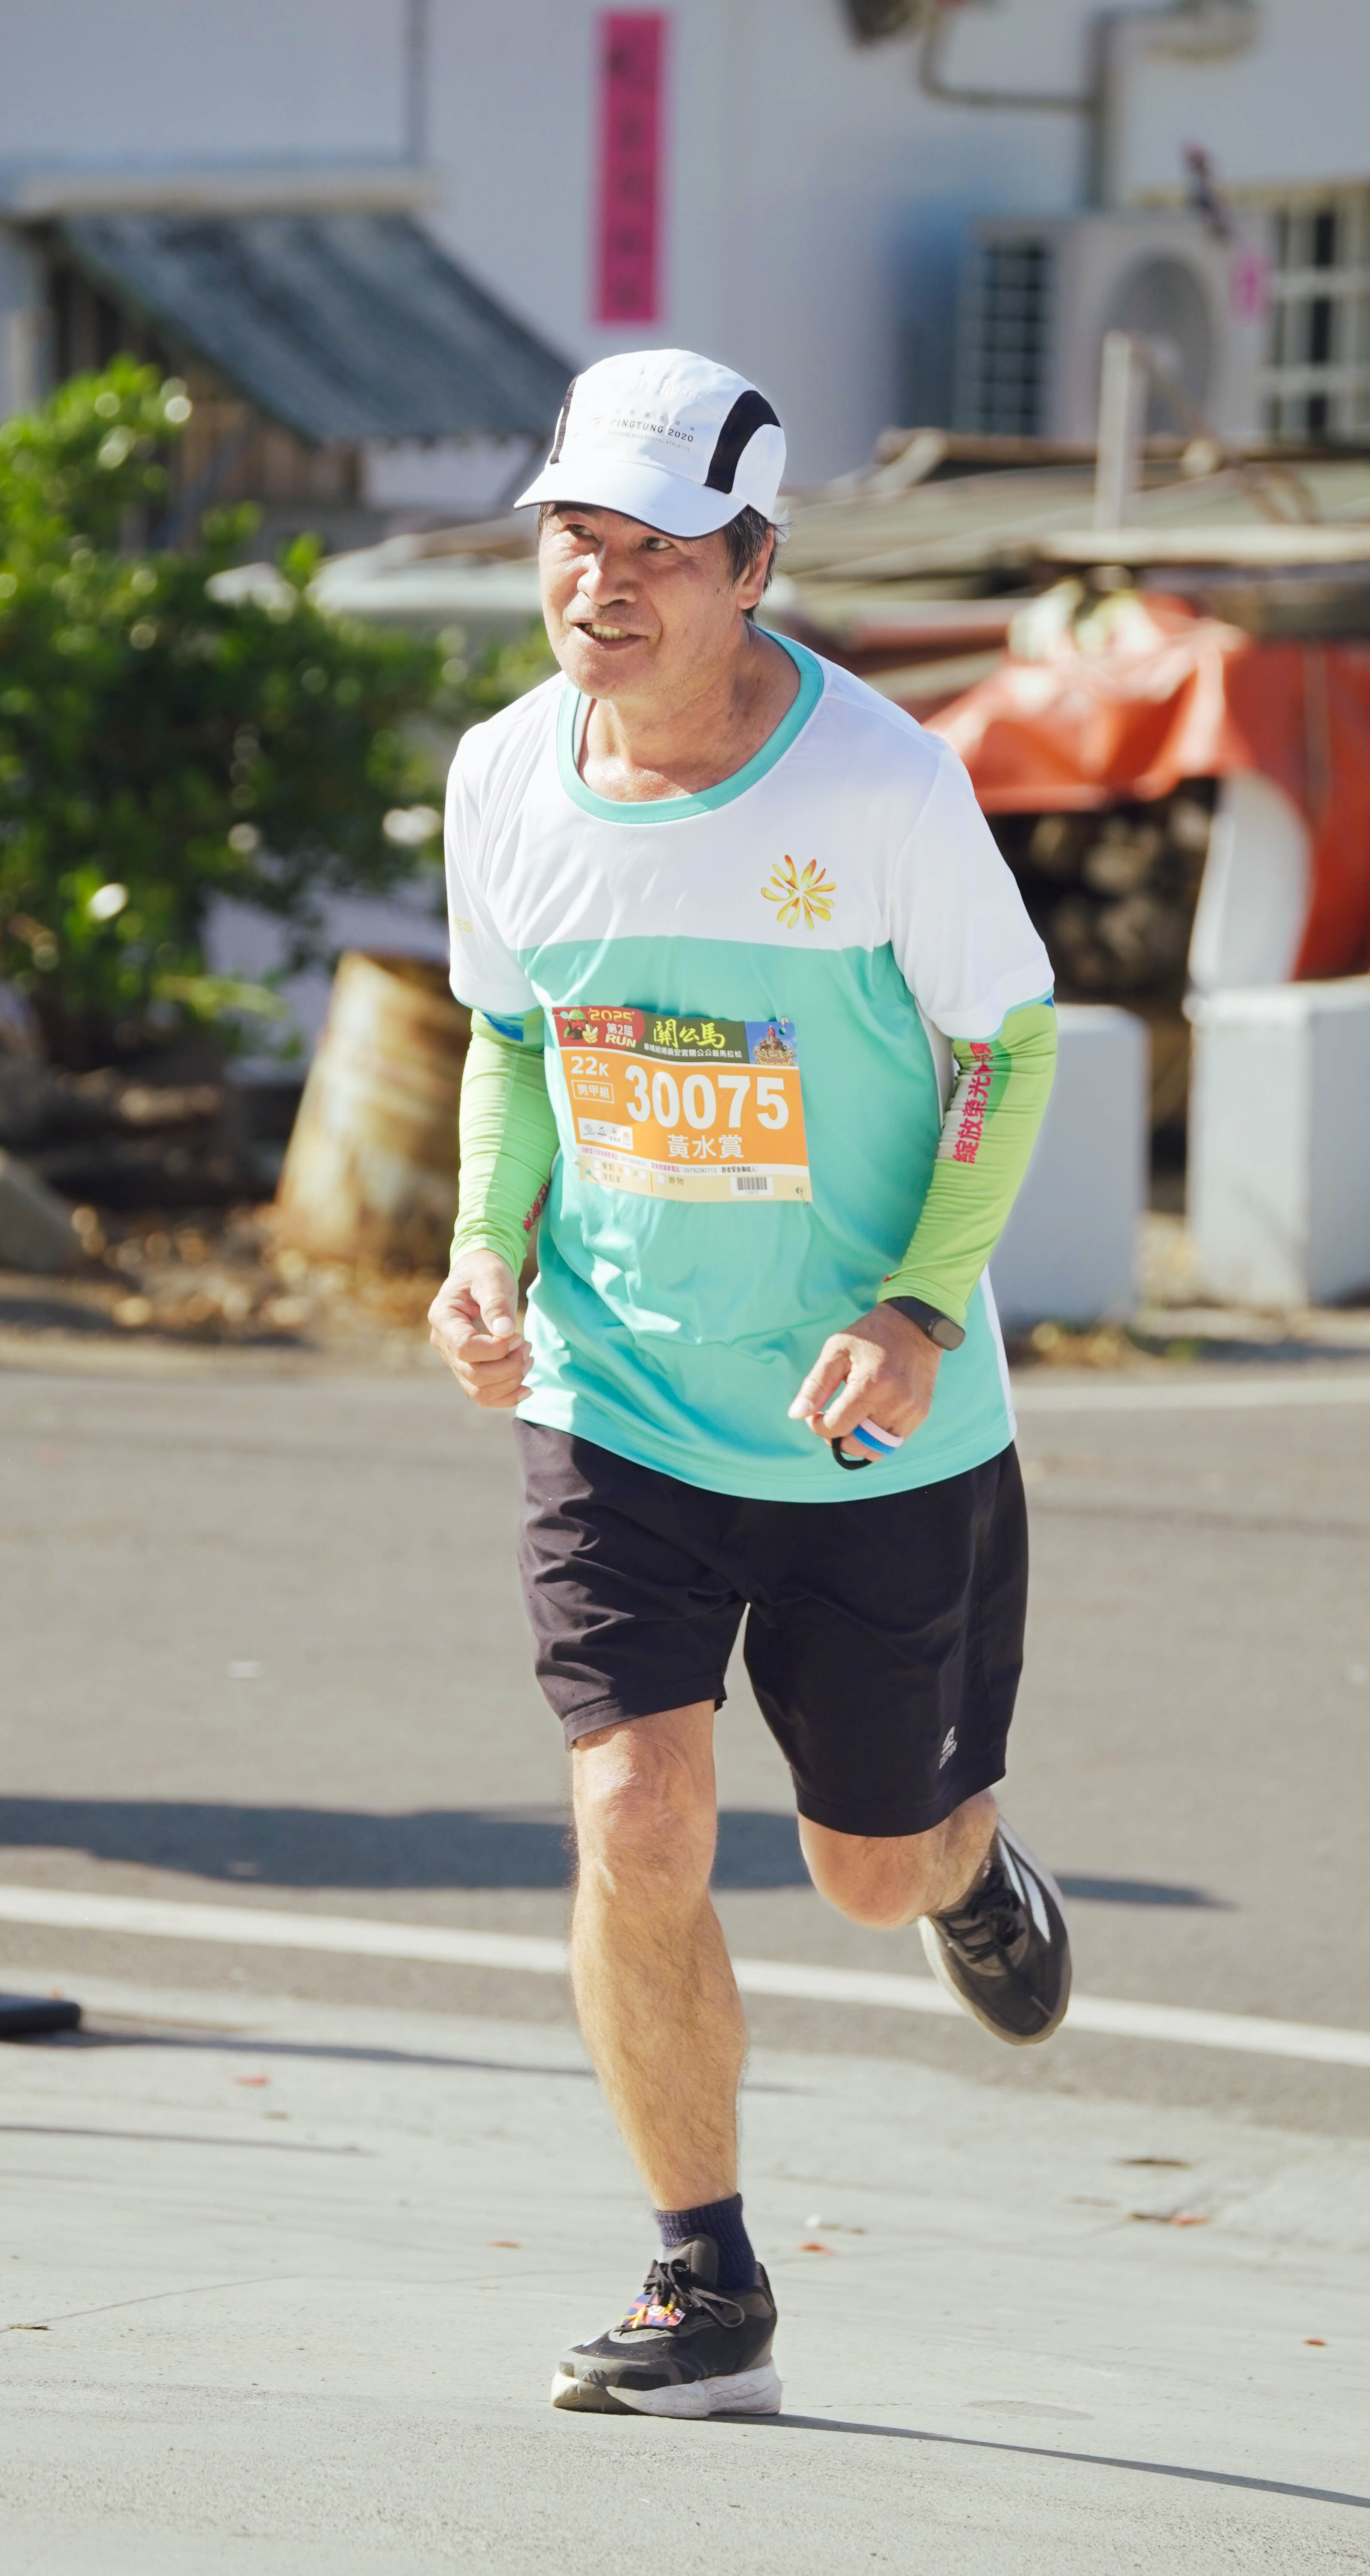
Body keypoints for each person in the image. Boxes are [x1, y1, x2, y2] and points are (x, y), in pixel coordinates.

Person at [429, 348, 1070, 2421]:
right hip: (616, 1397)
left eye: (658, 549)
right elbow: (513, 1038)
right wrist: (485, 1244)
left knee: (865, 1868)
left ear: (754, 568)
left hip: (869, 1426)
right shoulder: (503, 776)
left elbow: (1004, 1048)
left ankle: (962, 1862)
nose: (601, 584)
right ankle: (704, 2284)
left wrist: (916, 1309)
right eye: (573, 536)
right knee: (635, 1819)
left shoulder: (880, 787)